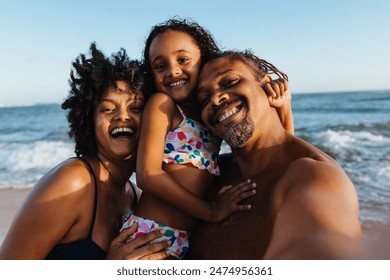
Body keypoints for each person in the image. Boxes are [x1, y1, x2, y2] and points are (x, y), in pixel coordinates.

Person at [120, 18, 294, 259]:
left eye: (183, 59)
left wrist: (284, 108)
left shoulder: (210, 117)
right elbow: (147, 176)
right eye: (160, 66)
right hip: (148, 236)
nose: (173, 70)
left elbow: (276, 150)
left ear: (203, 59)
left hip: (182, 241)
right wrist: (211, 211)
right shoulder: (164, 105)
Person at [0, 43, 169, 260]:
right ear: (89, 120)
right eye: (107, 109)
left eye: (135, 108)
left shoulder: (135, 195)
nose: (122, 117)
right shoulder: (74, 181)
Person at [188, 50, 362, 259]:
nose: (215, 99)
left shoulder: (314, 177)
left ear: (267, 86)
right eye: (204, 98)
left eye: (230, 82)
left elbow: (324, 247)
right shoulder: (211, 174)